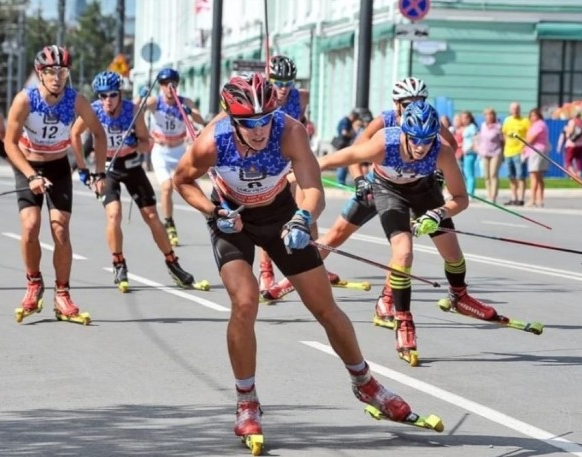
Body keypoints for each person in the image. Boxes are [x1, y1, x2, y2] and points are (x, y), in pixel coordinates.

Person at [173, 73, 417, 442]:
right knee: (244, 301)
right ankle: (247, 401)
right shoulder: (212, 141)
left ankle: (364, 382)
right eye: (248, 124)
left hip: (280, 214)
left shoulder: (289, 131)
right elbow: (182, 181)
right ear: (232, 120)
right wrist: (212, 212)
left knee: (325, 307)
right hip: (232, 219)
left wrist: (304, 218)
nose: (259, 131)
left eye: (264, 120)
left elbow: (312, 189)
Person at [318, 100, 505, 365]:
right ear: (404, 132)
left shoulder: (442, 151)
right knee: (403, 254)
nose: (421, 146)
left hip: (424, 191)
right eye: (415, 139)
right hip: (389, 192)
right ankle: (403, 320)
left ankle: (459, 297)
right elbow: (335, 159)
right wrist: (291, 176)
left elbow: (461, 199)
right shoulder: (385, 144)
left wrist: (438, 213)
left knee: (452, 254)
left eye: (427, 140)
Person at [263, 78, 458, 320]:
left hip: (414, 190)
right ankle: (290, 279)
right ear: (397, 103)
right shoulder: (384, 122)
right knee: (337, 234)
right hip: (377, 186)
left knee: (401, 249)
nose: (414, 106)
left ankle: (387, 300)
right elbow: (353, 153)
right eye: (409, 102)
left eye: (420, 101)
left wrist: (435, 172)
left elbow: (451, 146)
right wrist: (359, 180)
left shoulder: (426, 122)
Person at [4, 45, 108, 324]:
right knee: (29, 226)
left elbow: (98, 134)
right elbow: (9, 143)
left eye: (62, 71)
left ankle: (62, 294)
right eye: (50, 71)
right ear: (40, 73)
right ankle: (33, 283)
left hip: (59, 167)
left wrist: (99, 173)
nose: (57, 77)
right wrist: (31, 176)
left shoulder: (77, 100)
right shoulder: (25, 100)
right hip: (28, 165)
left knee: (60, 230)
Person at [70, 71, 197, 292]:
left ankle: (173, 263)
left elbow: (147, 143)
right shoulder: (95, 110)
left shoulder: (131, 111)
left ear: (119, 94)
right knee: (114, 214)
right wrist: (83, 169)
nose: (107, 100)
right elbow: (74, 134)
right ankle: (119, 264)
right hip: (107, 167)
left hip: (130, 165)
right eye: (102, 96)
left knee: (151, 216)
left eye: (111, 95)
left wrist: (134, 143)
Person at [256, 55, 310, 295]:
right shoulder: (259, 96)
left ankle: (312, 264)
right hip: (267, 161)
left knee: (305, 210)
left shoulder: (302, 97)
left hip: (290, 158)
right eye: (277, 81)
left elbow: (301, 120)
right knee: (271, 216)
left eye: (288, 82)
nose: (283, 88)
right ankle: (266, 271)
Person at [144, 68, 206, 246]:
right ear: (161, 86)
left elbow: (200, 120)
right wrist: (141, 98)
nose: (168, 88)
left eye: (172, 84)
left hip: (179, 150)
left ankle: (211, 219)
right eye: (164, 84)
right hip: (161, 150)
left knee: (193, 185)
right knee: (166, 187)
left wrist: (189, 112)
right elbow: (138, 108)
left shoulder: (184, 101)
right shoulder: (156, 102)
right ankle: (169, 223)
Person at [501, 102, 530, 206]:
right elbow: (504, 134)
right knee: (511, 176)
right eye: (513, 108)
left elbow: (529, 135)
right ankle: (514, 198)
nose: (515, 110)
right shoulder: (507, 120)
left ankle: (521, 198)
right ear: (510, 110)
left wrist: (524, 148)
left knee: (520, 176)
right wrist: (505, 147)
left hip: (519, 151)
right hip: (508, 151)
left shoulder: (525, 121)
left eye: (517, 108)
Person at [477, 108, 504, 203]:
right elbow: (480, 138)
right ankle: (488, 195)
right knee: (486, 176)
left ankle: (493, 196)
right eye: (486, 115)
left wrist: (503, 154)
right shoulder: (483, 125)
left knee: (493, 174)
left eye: (490, 114)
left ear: (494, 116)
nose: (488, 116)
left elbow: (502, 141)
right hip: (485, 153)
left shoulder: (498, 126)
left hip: (496, 152)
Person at [524, 108, 549, 207]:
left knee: (534, 176)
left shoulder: (539, 124)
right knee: (538, 177)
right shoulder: (536, 125)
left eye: (534, 115)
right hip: (537, 151)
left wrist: (523, 145)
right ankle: (539, 199)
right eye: (531, 115)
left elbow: (531, 139)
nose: (532, 118)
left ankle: (533, 199)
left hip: (537, 151)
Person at [332, 110, 359, 185]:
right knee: (343, 162)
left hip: (342, 144)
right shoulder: (346, 121)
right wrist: (352, 135)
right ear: (353, 116)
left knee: (342, 162)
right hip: (343, 144)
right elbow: (344, 132)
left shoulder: (344, 120)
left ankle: (340, 181)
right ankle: (340, 182)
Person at [558, 112, 582, 177]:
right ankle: (579, 174)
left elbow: (570, 132)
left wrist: (566, 130)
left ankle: (573, 174)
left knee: (568, 160)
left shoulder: (572, 122)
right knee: (579, 160)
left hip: (571, 144)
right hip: (581, 144)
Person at [460, 111, 478, 196]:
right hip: (465, 153)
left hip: (470, 153)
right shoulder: (466, 128)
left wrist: (468, 148)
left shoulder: (472, 127)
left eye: (465, 118)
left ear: (469, 118)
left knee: (470, 173)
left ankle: (471, 193)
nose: (463, 120)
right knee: (466, 173)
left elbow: (475, 140)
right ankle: (468, 190)